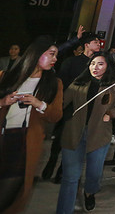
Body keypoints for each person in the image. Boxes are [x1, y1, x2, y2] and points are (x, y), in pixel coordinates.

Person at [56, 52, 115, 213]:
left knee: (94, 173)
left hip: (99, 135)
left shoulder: (114, 86)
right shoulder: (78, 83)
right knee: (70, 178)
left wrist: (112, 113)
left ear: (108, 66)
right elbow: (62, 103)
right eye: (93, 63)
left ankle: (89, 192)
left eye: (100, 64)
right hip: (73, 133)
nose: (95, 67)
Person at [0, 37, 62, 214]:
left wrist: (39, 104)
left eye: (56, 55)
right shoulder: (6, 76)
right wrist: (3, 102)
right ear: (36, 54)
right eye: (51, 54)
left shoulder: (54, 83)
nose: (55, 59)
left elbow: (56, 115)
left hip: (24, 143)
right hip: (3, 136)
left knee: (10, 194)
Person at [43, 31, 101, 182]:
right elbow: (61, 83)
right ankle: (51, 162)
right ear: (87, 45)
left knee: (75, 141)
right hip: (68, 105)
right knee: (60, 138)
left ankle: (62, 171)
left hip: (86, 107)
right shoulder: (72, 62)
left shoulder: (99, 65)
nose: (99, 44)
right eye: (95, 42)